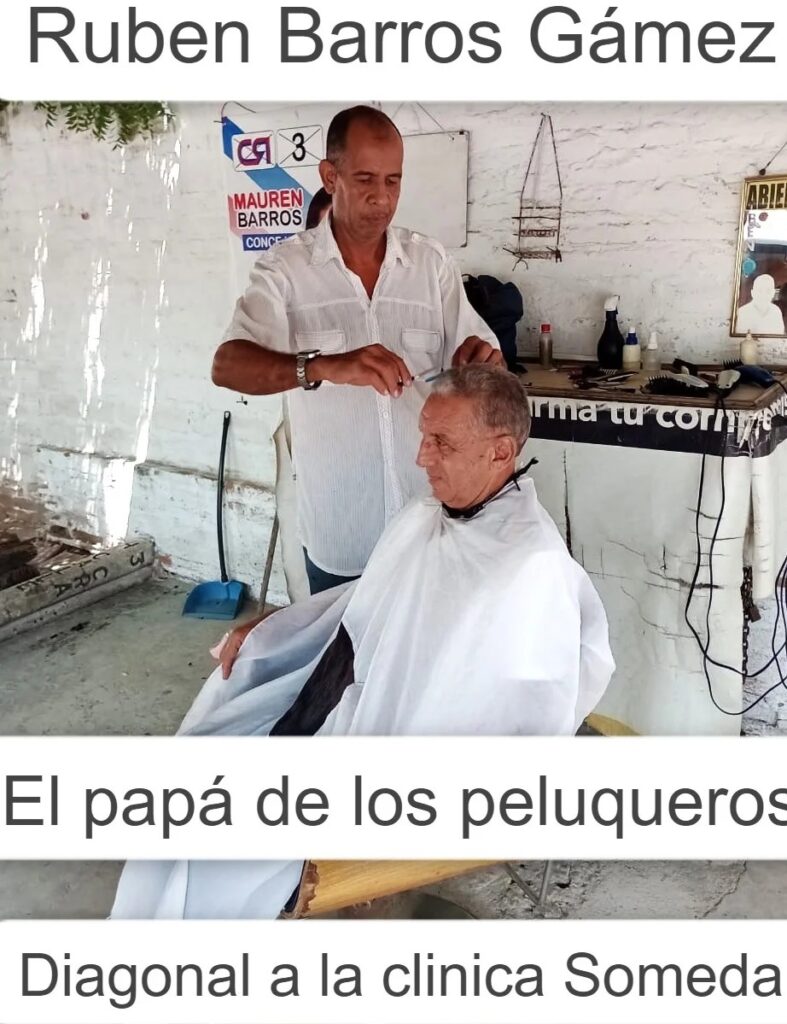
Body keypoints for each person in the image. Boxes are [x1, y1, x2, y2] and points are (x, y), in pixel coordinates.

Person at [110, 366, 614, 920]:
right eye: (423, 437)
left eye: (441, 442)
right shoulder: (429, 515)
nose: (421, 457)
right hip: (337, 697)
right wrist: (272, 625)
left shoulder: (531, 568)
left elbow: (521, 716)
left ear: (500, 452)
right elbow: (365, 599)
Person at [212, 105, 501, 597]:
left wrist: (485, 361)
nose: (381, 197)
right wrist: (324, 366)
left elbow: (483, 359)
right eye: (365, 178)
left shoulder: (430, 264)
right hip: (341, 533)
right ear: (330, 176)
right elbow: (227, 366)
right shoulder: (285, 270)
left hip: (428, 521)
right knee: (344, 648)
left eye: (393, 181)